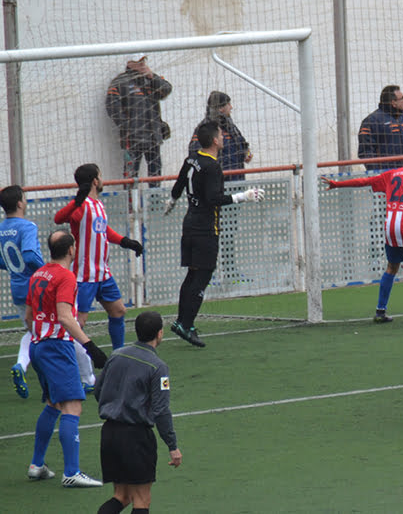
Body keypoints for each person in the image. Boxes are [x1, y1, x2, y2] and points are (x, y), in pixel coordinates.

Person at [166, 120, 265, 347]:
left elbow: (180, 182)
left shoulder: (192, 159)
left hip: (189, 225)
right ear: (214, 140)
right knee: (202, 277)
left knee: (192, 275)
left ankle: (182, 321)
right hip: (205, 229)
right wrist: (244, 195)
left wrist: (172, 200)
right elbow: (213, 199)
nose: (223, 138)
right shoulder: (212, 167)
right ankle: (186, 324)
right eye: (221, 135)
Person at [322, 144, 403, 322]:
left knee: (391, 267)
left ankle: (380, 311)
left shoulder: (393, 174)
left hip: (390, 227)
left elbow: (364, 181)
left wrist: (337, 184)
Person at [25, 230, 109, 488]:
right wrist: (90, 346)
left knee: (53, 403)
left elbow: (29, 315)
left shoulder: (39, 274)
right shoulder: (66, 277)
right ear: (71, 249)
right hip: (56, 348)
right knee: (73, 405)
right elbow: (64, 316)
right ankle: (71, 472)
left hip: (38, 346)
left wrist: (39, 337)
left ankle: (37, 464)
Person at [53, 164, 144, 390]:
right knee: (78, 323)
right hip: (84, 277)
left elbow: (103, 231)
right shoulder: (82, 206)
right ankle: (81, 374)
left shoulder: (98, 205)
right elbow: (58, 218)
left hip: (103, 273)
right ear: (95, 180)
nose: (103, 180)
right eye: (101, 176)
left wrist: (125, 241)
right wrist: (77, 199)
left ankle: (117, 361)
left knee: (118, 310)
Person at [95, 311, 182, 514]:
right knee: (141, 499)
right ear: (160, 334)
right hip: (136, 438)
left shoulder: (116, 355)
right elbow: (161, 410)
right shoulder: (158, 367)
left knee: (121, 496)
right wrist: (173, 446)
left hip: (109, 434)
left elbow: (98, 391)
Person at [1, 185, 45, 398]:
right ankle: (87, 377)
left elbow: (3, 260)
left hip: (17, 288)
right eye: (24, 199)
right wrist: (47, 270)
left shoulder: (1, 228)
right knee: (58, 326)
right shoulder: (27, 226)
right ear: (20, 203)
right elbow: (29, 255)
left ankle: (21, 364)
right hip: (35, 287)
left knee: (33, 331)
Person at [105, 54, 172, 186]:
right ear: (130, 63)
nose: (143, 64)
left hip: (153, 136)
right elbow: (112, 108)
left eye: (144, 61)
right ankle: (130, 204)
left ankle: (155, 202)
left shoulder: (150, 79)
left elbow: (167, 89)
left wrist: (151, 75)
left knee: (155, 174)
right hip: (132, 138)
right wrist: (128, 127)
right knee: (130, 175)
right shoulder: (120, 82)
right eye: (139, 62)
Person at [189, 91, 252, 179]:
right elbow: (195, 153)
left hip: (237, 178)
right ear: (220, 108)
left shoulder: (230, 126)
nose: (231, 107)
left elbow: (242, 143)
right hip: (217, 180)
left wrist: (247, 153)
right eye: (228, 104)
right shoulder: (205, 128)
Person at [358, 85, 403, 171]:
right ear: (393, 102)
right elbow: (366, 152)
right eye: (402, 98)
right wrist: (377, 173)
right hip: (385, 176)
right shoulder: (371, 121)